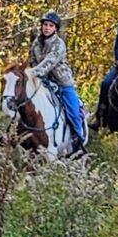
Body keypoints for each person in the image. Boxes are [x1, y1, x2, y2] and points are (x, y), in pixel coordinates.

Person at [29, 11, 86, 150]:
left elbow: (48, 63)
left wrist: (30, 73)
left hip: (62, 82)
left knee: (72, 109)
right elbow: (32, 61)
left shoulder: (59, 44)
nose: (47, 28)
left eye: (50, 26)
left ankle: (78, 139)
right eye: (45, 25)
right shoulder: (36, 43)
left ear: (55, 29)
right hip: (42, 82)